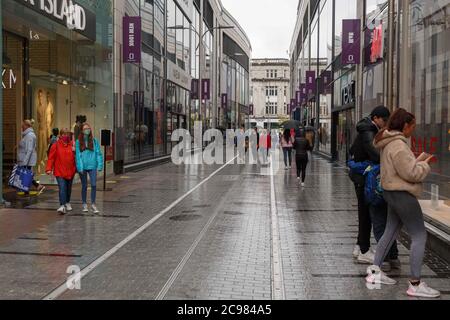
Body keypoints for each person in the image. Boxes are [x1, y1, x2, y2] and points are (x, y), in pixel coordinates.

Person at [367, 108, 440, 298]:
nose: (413, 130)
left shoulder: (388, 142)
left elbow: (401, 168)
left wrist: (417, 161)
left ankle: (375, 271)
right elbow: (411, 173)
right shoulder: (398, 145)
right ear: (404, 126)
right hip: (403, 194)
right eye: (412, 126)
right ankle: (415, 284)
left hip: (391, 192)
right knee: (419, 235)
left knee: (390, 231)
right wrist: (426, 164)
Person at [349, 106, 398, 266]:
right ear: (376, 118)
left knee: (364, 212)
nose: (385, 124)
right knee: (365, 214)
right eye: (384, 121)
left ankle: (359, 246)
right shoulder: (369, 131)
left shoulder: (366, 129)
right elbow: (376, 155)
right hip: (364, 178)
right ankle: (364, 250)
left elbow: (353, 150)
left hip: (361, 175)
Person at [46, 129, 76, 215]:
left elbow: (76, 158)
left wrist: (75, 152)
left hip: (70, 171)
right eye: (64, 134)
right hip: (59, 171)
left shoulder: (72, 145)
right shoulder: (55, 145)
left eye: (67, 134)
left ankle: (67, 202)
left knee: (68, 188)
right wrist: (49, 168)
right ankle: (62, 205)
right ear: (60, 135)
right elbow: (51, 158)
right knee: (62, 187)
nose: (66, 136)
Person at [76, 123, 104, 214]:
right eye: (85, 129)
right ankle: (84, 203)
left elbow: (98, 153)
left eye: (88, 128)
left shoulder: (94, 141)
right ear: (82, 131)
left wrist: (99, 165)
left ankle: (93, 204)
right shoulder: (78, 141)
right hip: (83, 167)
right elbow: (78, 156)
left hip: (93, 166)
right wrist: (80, 167)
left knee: (94, 185)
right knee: (84, 185)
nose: (87, 130)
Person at [17, 120, 45, 195]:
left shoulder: (30, 135)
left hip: (26, 160)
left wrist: (25, 162)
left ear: (27, 126)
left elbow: (29, 150)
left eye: (23, 126)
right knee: (27, 175)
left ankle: (28, 190)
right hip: (25, 159)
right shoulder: (27, 135)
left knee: (26, 175)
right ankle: (36, 186)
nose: (22, 127)